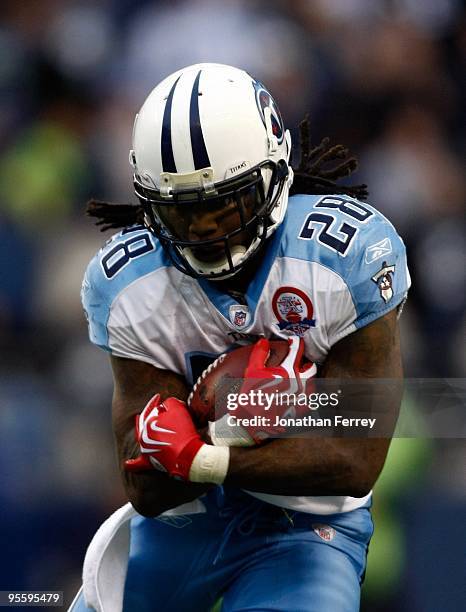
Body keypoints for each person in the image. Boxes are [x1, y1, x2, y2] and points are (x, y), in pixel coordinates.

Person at [70, 63, 410, 612]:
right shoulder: (130, 285)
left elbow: (354, 456)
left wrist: (206, 447)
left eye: (223, 201)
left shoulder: (343, 258)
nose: (204, 227)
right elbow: (146, 489)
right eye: (183, 211)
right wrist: (226, 428)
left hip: (308, 529)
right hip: (184, 524)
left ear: (274, 170)